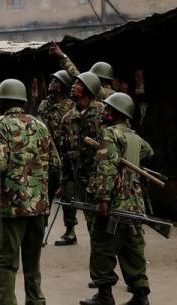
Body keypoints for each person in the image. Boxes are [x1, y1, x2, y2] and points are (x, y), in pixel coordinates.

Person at [0, 79, 61, 305]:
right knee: (32, 261)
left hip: (11, 207)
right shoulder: (40, 126)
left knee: (7, 263)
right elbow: (56, 165)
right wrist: (45, 200)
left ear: (3, 102)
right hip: (38, 207)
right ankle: (36, 300)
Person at [80, 93, 153, 305]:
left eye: (108, 109)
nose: (105, 111)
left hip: (115, 202)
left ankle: (104, 295)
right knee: (133, 246)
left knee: (102, 245)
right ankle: (141, 295)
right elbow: (148, 151)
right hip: (134, 202)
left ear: (115, 113)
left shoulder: (110, 134)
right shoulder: (134, 136)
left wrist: (103, 198)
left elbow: (106, 167)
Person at [57, 71, 105, 245]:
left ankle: (103, 252)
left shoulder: (103, 113)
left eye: (78, 84)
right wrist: (64, 181)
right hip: (79, 176)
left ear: (88, 89)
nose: (73, 86)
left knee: (100, 219)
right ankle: (75, 235)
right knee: (84, 212)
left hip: (100, 176)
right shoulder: (68, 118)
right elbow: (64, 152)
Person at [37, 70, 73, 244]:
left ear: (63, 86)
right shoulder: (44, 105)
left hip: (65, 155)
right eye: (52, 80)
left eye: (56, 81)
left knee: (68, 195)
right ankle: (40, 232)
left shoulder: (69, 106)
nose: (52, 83)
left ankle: (70, 231)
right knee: (46, 194)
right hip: (47, 156)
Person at [50, 41, 115, 100]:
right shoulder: (111, 94)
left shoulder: (103, 92)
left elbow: (76, 75)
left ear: (101, 80)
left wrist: (63, 57)